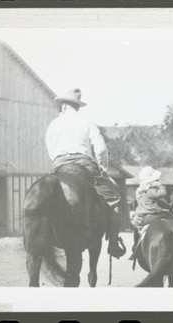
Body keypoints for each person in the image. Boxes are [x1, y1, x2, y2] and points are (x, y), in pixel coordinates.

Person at [45, 88, 126, 258]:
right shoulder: (87, 122)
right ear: (77, 106)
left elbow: (51, 149)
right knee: (113, 198)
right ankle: (112, 243)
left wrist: (60, 160)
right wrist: (103, 168)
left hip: (59, 164)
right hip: (84, 164)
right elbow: (101, 149)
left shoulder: (53, 124)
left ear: (64, 105)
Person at [129, 166, 173, 259]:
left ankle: (136, 246)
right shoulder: (154, 188)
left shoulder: (139, 190)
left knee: (137, 229)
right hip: (155, 213)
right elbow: (162, 195)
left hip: (144, 215)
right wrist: (161, 186)